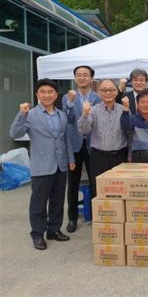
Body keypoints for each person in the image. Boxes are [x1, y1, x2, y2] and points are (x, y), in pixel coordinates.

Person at [10, 79, 75, 250]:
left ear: (56, 94)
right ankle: (38, 234)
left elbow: (65, 139)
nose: (47, 95)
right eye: (43, 92)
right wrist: (21, 114)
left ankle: (54, 230)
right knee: (38, 202)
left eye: (50, 92)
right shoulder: (30, 114)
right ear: (37, 94)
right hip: (41, 164)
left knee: (57, 200)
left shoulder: (62, 115)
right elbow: (15, 133)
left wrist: (71, 159)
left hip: (60, 164)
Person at [62, 65, 100, 233]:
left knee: (95, 181)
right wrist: (70, 103)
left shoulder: (97, 97)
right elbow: (68, 119)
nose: (82, 78)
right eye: (79, 75)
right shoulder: (67, 97)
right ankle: (72, 219)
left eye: (86, 75)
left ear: (91, 78)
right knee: (73, 183)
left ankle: (97, 217)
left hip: (93, 143)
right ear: (75, 78)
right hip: (75, 143)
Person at [78, 79, 128, 198]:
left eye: (111, 90)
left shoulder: (124, 109)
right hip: (99, 158)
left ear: (117, 92)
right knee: (99, 192)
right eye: (104, 90)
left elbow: (129, 131)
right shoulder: (93, 110)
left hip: (120, 156)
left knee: (121, 192)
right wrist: (84, 114)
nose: (108, 93)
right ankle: (101, 217)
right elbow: (84, 130)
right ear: (98, 93)